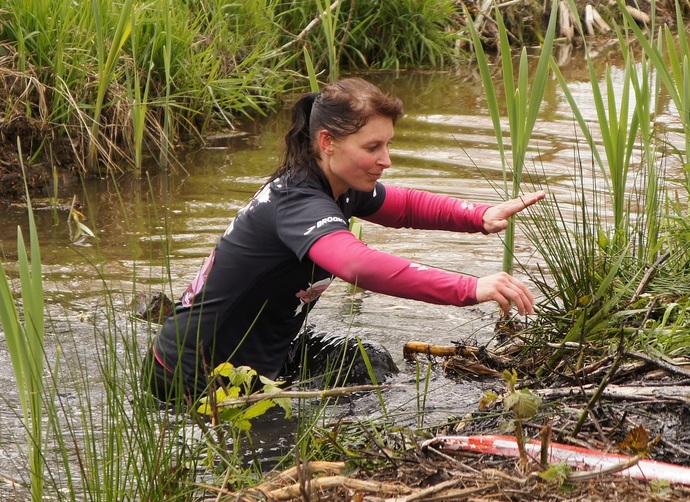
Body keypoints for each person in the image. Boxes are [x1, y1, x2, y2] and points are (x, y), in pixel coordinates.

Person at [143, 77, 546, 402]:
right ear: (327, 142)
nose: (386, 159)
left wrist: (478, 216)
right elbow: (358, 266)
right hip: (192, 377)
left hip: (258, 363)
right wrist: (470, 287)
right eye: (373, 147)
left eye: (388, 144)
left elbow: (404, 207)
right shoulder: (297, 202)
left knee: (365, 364)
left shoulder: (339, 185)